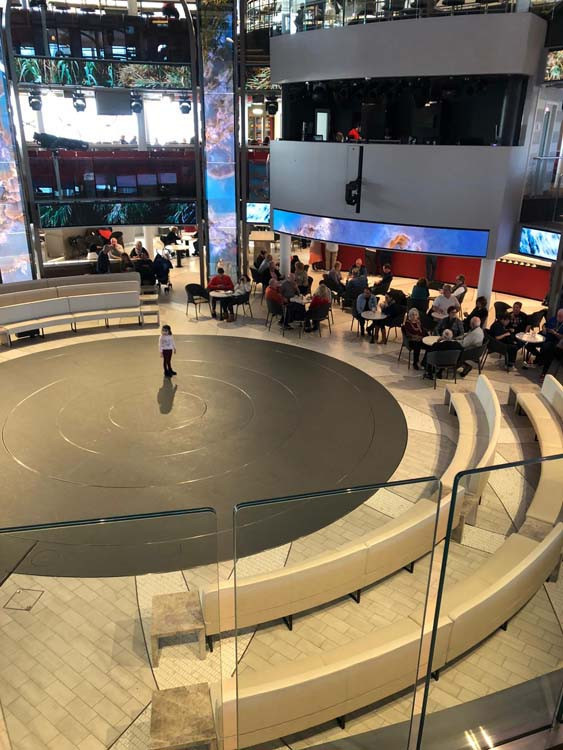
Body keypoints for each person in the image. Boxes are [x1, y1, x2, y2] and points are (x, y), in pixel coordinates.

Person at [524, 308, 563, 380]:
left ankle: (542, 369)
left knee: (547, 349)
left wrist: (555, 333)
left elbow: (561, 338)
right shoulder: (553, 319)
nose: (558, 317)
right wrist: (544, 328)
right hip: (544, 336)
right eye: (558, 315)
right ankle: (539, 359)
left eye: (560, 316)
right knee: (529, 345)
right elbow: (544, 324)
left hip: (553, 341)